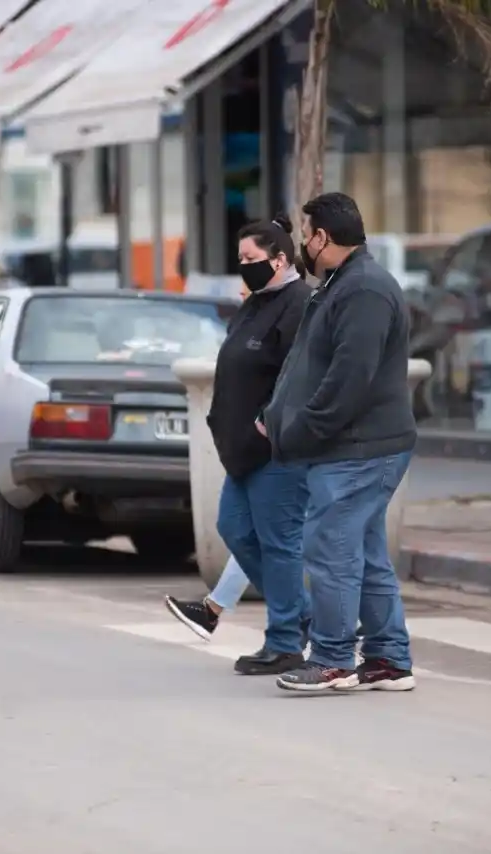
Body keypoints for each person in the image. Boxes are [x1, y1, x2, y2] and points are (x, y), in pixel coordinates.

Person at [262, 192, 419, 693]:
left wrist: (302, 426)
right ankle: (389, 659)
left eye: (306, 234)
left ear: (323, 238)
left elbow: (350, 378)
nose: (303, 242)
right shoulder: (340, 284)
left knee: (331, 549)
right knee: (364, 551)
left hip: (359, 448)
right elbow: (312, 362)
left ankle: (331, 658)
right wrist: (277, 413)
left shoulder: (364, 290)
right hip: (352, 445)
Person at [166, 214, 311, 675]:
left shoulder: (298, 303)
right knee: (234, 529)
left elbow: (299, 376)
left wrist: (269, 423)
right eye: (240, 259)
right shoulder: (256, 304)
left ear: (281, 258)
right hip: (242, 452)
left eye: (251, 259)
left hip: (275, 451)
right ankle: (305, 618)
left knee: (278, 543)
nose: (244, 267)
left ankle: (286, 640)